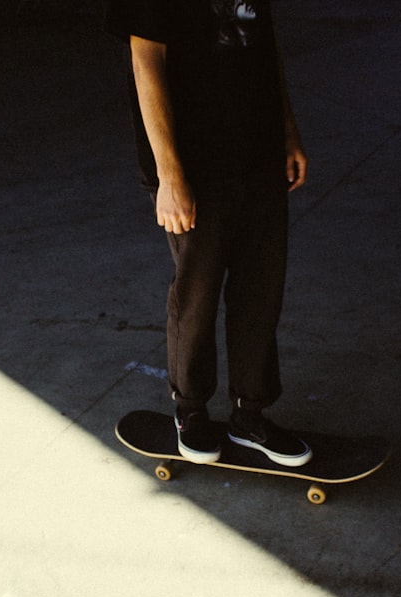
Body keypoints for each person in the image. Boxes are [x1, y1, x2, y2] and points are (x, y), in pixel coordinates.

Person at [105, 0, 312, 467]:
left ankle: (250, 414)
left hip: (257, 154)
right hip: (195, 164)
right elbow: (146, 61)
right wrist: (169, 174)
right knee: (197, 290)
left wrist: (287, 131)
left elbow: (264, 46)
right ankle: (191, 410)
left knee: (261, 290)